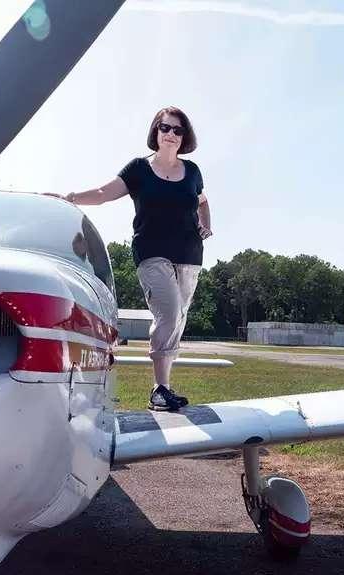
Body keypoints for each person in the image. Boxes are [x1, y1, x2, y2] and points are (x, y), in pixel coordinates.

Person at [45, 106, 212, 411]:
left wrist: (206, 224)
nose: (171, 135)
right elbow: (103, 192)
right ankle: (160, 389)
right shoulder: (139, 169)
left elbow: (202, 200)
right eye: (165, 128)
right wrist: (68, 198)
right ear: (155, 131)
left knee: (179, 319)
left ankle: (164, 388)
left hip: (189, 254)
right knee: (170, 312)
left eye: (178, 130)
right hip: (151, 252)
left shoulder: (193, 171)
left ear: (184, 136)